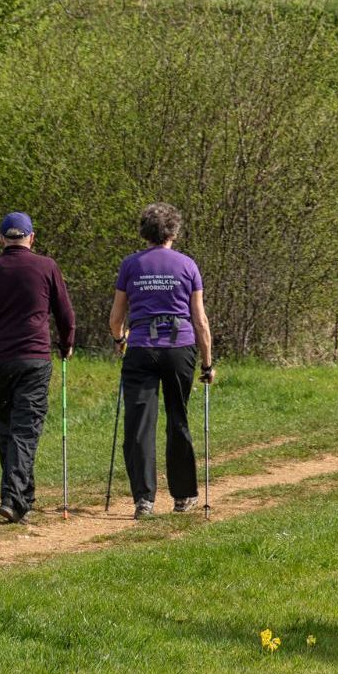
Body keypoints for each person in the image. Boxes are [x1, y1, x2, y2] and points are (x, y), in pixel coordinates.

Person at [0, 212, 75, 523]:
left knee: (8, 429)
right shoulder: (47, 266)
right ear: (31, 238)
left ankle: (21, 498)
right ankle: (13, 498)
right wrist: (67, 345)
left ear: (1, 239)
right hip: (34, 359)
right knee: (25, 430)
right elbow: (65, 315)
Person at [108, 203, 215, 519]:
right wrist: (207, 363)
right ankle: (183, 497)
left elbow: (116, 318)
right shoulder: (187, 265)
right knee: (177, 419)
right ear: (173, 231)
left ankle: (144, 500)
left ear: (145, 232)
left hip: (140, 347)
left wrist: (119, 340)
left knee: (139, 425)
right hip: (179, 348)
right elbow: (201, 320)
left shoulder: (131, 265)